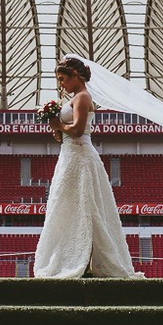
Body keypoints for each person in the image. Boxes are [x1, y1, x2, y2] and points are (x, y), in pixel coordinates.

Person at [32, 57, 144, 279]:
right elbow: (70, 130)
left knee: (85, 205)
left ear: (75, 75)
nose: (61, 84)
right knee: (69, 205)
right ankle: (77, 259)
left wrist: (58, 125)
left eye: (63, 79)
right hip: (69, 154)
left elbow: (78, 129)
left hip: (80, 155)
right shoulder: (76, 97)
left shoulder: (83, 97)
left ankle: (85, 262)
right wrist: (59, 130)